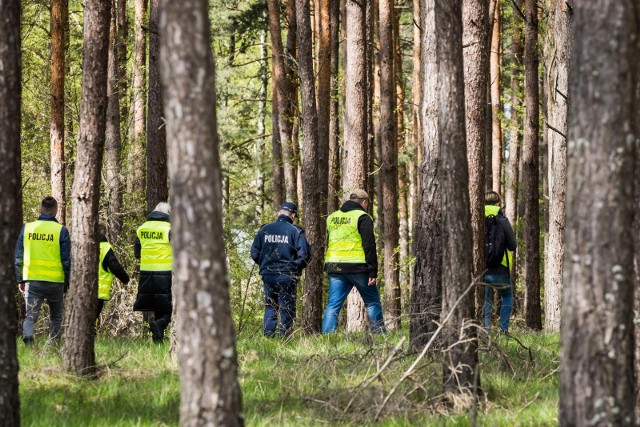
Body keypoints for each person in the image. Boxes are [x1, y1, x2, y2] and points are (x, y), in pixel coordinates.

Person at [322, 189, 386, 334]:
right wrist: (372, 271)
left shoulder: (332, 217)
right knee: (372, 302)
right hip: (358, 267)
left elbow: (329, 242)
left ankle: (327, 338)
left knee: (333, 305)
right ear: (364, 202)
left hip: (335, 267)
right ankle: (380, 336)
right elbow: (369, 245)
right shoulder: (362, 217)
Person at [14, 196, 71, 345]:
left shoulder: (27, 228)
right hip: (56, 282)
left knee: (30, 316)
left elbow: (18, 256)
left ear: (40, 209)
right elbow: (67, 260)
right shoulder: (61, 230)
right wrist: (69, 281)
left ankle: (28, 338)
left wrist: (20, 279)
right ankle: (52, 345)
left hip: (33, 281)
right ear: (56, 211)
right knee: (57, 317)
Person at [251, 202, 310, 337]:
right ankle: (284, 338)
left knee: (270, 306)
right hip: (287, 275)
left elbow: (254, 252)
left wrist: (265, 265)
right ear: (293, 215)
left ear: (279, 213)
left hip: (268, 275)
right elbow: (305, 255)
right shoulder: (295, 231)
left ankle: (268, 337)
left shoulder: (264, 229)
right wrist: (294, 268)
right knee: (287, 307)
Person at [133, 202, 172, 342]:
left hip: (146, 273)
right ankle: (160, 324)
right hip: (166, 273)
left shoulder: (142, 229)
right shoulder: (169, 229)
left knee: (157, 305)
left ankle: (158, 338)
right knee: (170, 306)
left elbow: (137, 253)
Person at [483, 191, 517, 333]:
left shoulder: (476, 217)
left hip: (482, 267)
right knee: (507, 296)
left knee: (486, 300)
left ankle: (485, 330)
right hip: (500, 268)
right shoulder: (502, 220)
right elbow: (512, 246)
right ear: (498, 202)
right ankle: (503, 330)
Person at [96, 224, 130, 321]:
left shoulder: (81, 244)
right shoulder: (105, 247)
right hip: (98, 291)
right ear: (104, 232)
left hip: (81, 290)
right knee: (91, 321)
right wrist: (125, 279)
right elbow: (115, 267)